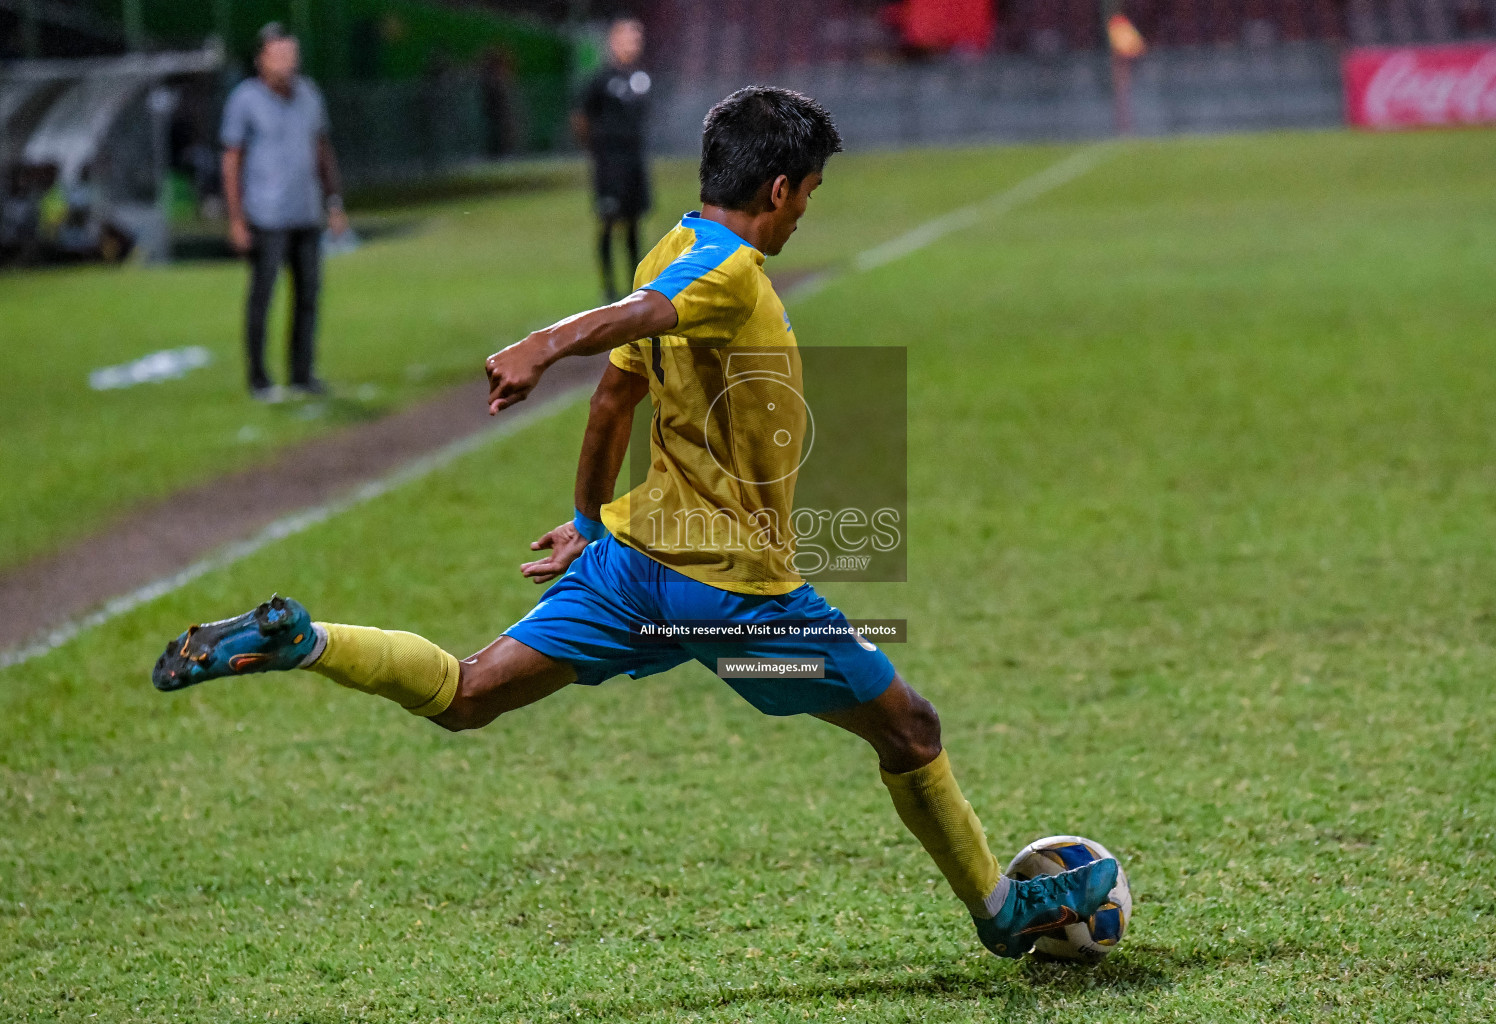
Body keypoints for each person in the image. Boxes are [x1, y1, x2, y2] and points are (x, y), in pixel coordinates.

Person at [151, 86, 1118, 960]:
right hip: (738, 600)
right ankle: (1001, 915)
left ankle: (303, 640)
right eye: (812, 193)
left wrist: (588, 523)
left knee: (470, 691)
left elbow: (614, 405)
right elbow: (632, 322)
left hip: (635, 574)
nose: (808, 210)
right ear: (779, 189)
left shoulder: (672, 244)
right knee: (909, 728)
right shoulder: (727, 271)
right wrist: (543, 343)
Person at [220, 22, 348, 402]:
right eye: (278, 55)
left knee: (308, 296)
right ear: (261, 60)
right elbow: (231, 161)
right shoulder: (245, 100)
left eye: (291, 54)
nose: (287, 62)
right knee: (263, 297)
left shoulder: (309, 95)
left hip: (305, 211)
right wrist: (237, 218)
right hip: (266, 216)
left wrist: (334, 202)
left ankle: (301, 374)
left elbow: (322, 151)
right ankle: (259, 378)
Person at [572, 18, 652, 303]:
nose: (634, 43)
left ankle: (635, 284)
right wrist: (595, 148)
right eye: (629, 37)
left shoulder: (641, 78)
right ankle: (608, 287)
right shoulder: (601, 79)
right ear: (613, 41)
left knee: (633, 222)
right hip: (609, 162)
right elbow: (581, 117)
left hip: (634, 160)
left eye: (637, 39)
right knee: (608, 221)